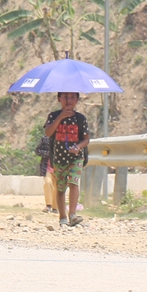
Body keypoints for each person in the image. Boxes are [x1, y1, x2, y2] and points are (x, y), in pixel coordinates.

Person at [43, 91, 89, 226]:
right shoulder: (53, 116)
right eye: (65, 97)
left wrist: (78, 147)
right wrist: (60, 117)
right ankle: (62, 217)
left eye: (72, 97)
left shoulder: (81, 119)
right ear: (59, 99)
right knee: (61, 187)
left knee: (74, 183)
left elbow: (86, 139)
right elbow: (48, 132)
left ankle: (73, 214)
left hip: (76, 157)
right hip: (59, 158)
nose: (68, 100)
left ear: (77, 100)